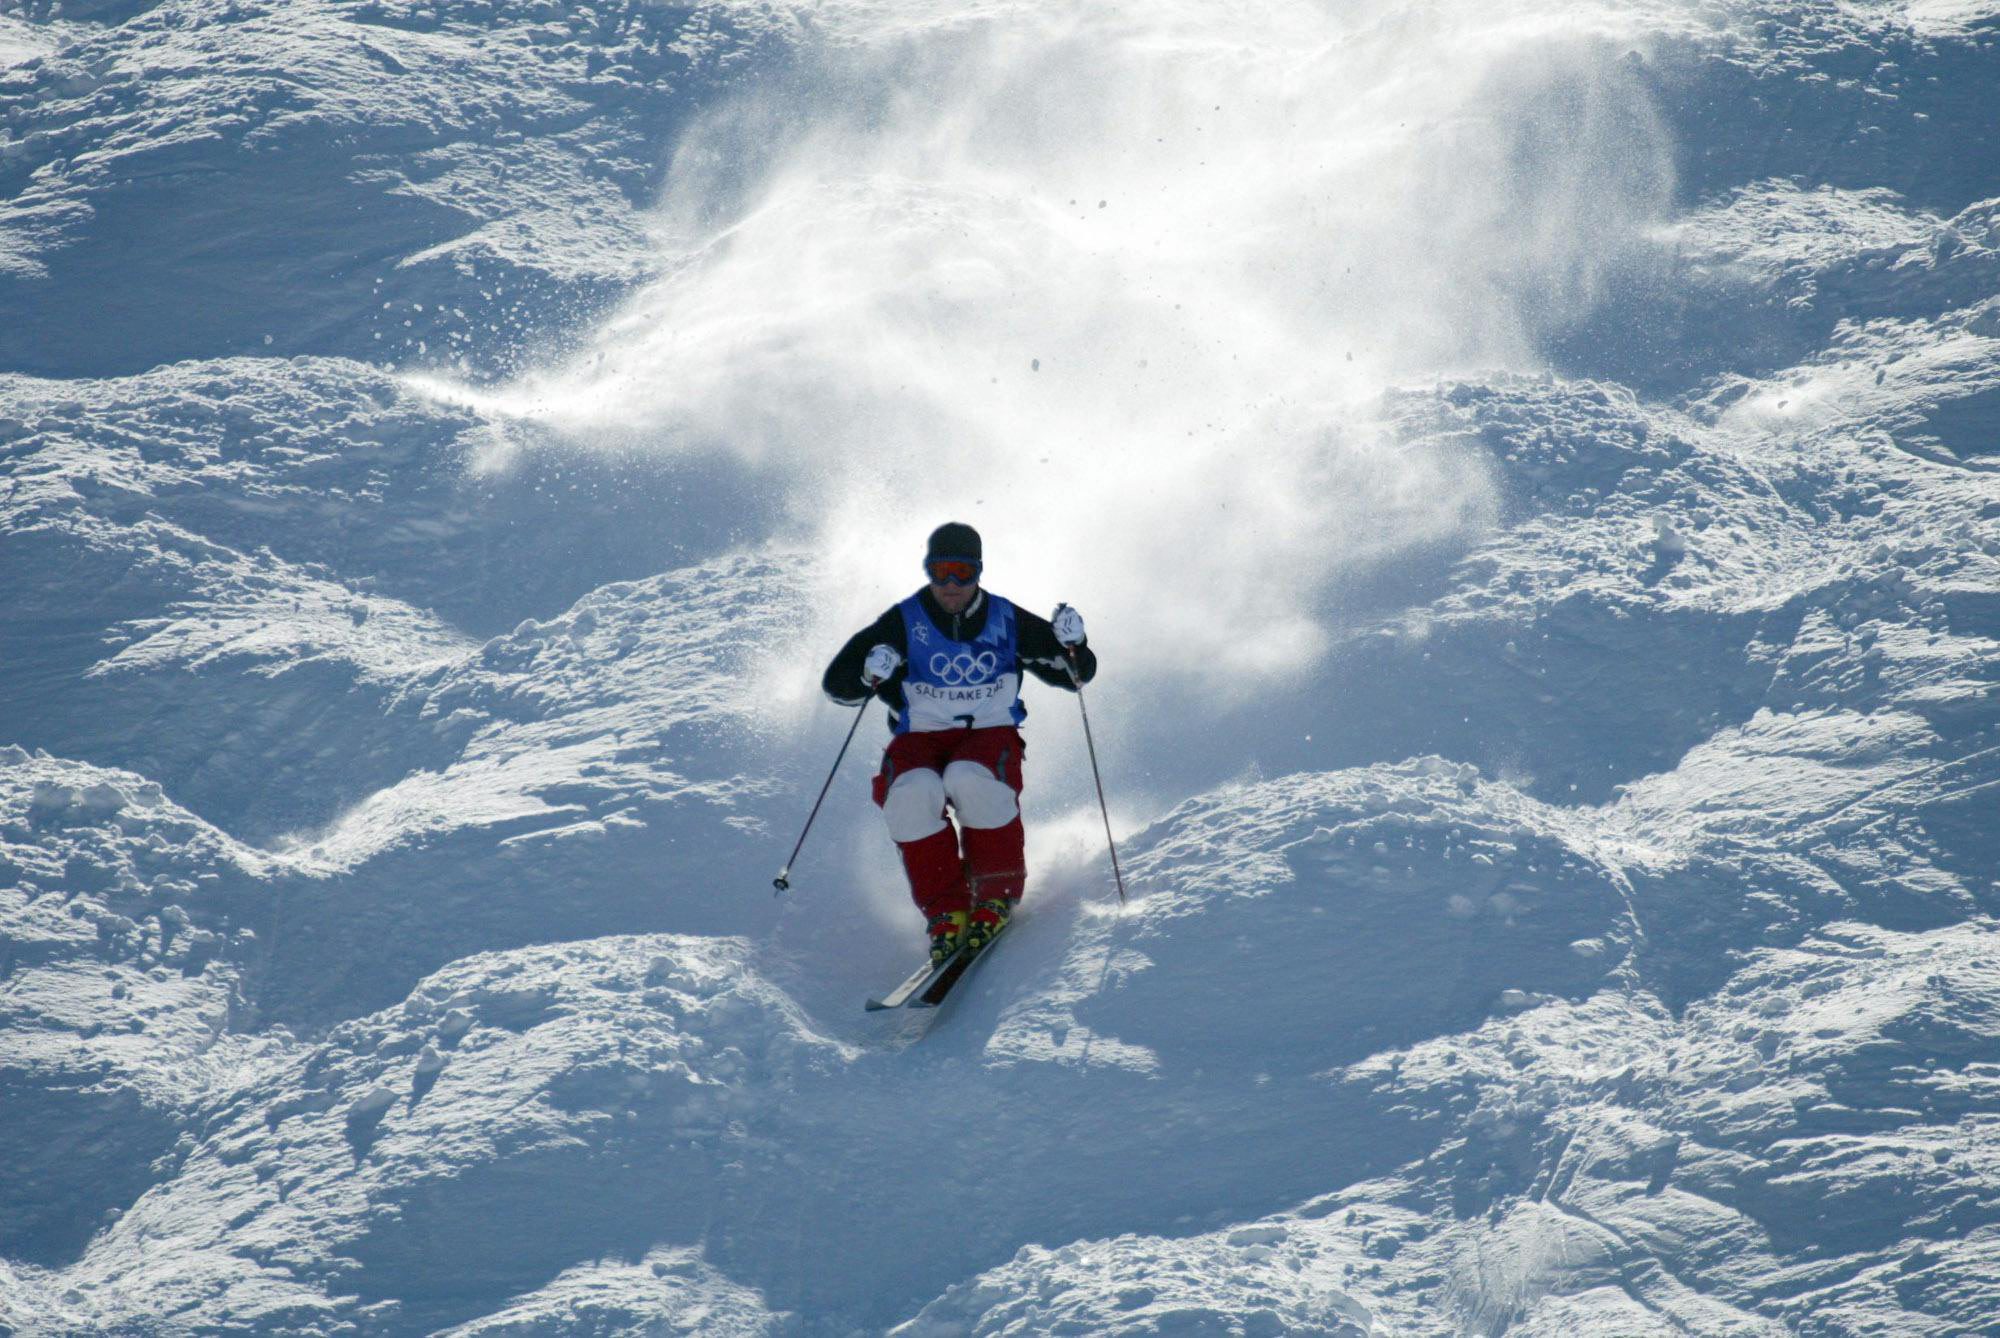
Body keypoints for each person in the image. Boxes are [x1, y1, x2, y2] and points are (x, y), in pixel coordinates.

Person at [823, 522, 1095, 964]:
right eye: (940, 571)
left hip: (988, 734)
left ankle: (995, 890)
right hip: (920, 737)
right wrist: (869, 672)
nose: (951, 585)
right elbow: (838, 686)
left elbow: (1075, 676)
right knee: (909, 795)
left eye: (962, 573)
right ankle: (946, 910)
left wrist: (1074, 645)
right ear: (927, 571)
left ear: (978, 573)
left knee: (970, 779)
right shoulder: (904, 620)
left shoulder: (1006, 619)